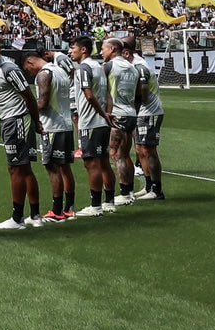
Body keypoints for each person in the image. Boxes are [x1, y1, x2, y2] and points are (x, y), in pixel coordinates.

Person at [0, 32, 41, 231]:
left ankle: (17, 217)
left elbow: (29, 96)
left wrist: (36, 121)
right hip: (8, 120)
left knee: (16, 168)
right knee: (23, 168)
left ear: (0, 48)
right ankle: (35, 215)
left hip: (17, 120)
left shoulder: (9, 68)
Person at [27, 46, 76, 222]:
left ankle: (56, 211)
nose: (30, 72)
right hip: (66, 124)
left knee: (53, 167)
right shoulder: (60, 70)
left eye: (28, 69)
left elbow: (43, 103)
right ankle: (69, 207)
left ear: (30, 62)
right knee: (64, 166)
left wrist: (27, 109)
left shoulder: (44, 74)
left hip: (52, 126)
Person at [70, 36, 114, 217]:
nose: (71, 51)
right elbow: (109, 94)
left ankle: (95, 206)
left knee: (91, 163)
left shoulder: (83, 68)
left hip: (90, 122)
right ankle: (109, 201)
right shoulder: (99, 67)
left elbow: (88, 95)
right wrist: (108, 113)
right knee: (104, 162)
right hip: (102, 123)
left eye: (73, 48)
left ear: (83, 50)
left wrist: (103, 114)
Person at [103, 34, 141, 205]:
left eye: (104, 49)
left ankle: (124, 194)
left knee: (116, 154)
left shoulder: (109, 66)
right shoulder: (133, 68)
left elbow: (101, 92)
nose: (102, 52)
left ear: (112, 49)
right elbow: (140, 94)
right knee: (125, 154)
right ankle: (129, 191)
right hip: (131, 113)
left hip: (116, 114)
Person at [129, 37, 165, 201]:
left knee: (149, 150)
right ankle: (149, 186)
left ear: (126, 52)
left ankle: (157, 190)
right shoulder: (133, 65)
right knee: (140, 150)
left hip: (149, 111)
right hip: (140, 112)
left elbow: (142, 92)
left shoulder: (139, 66)